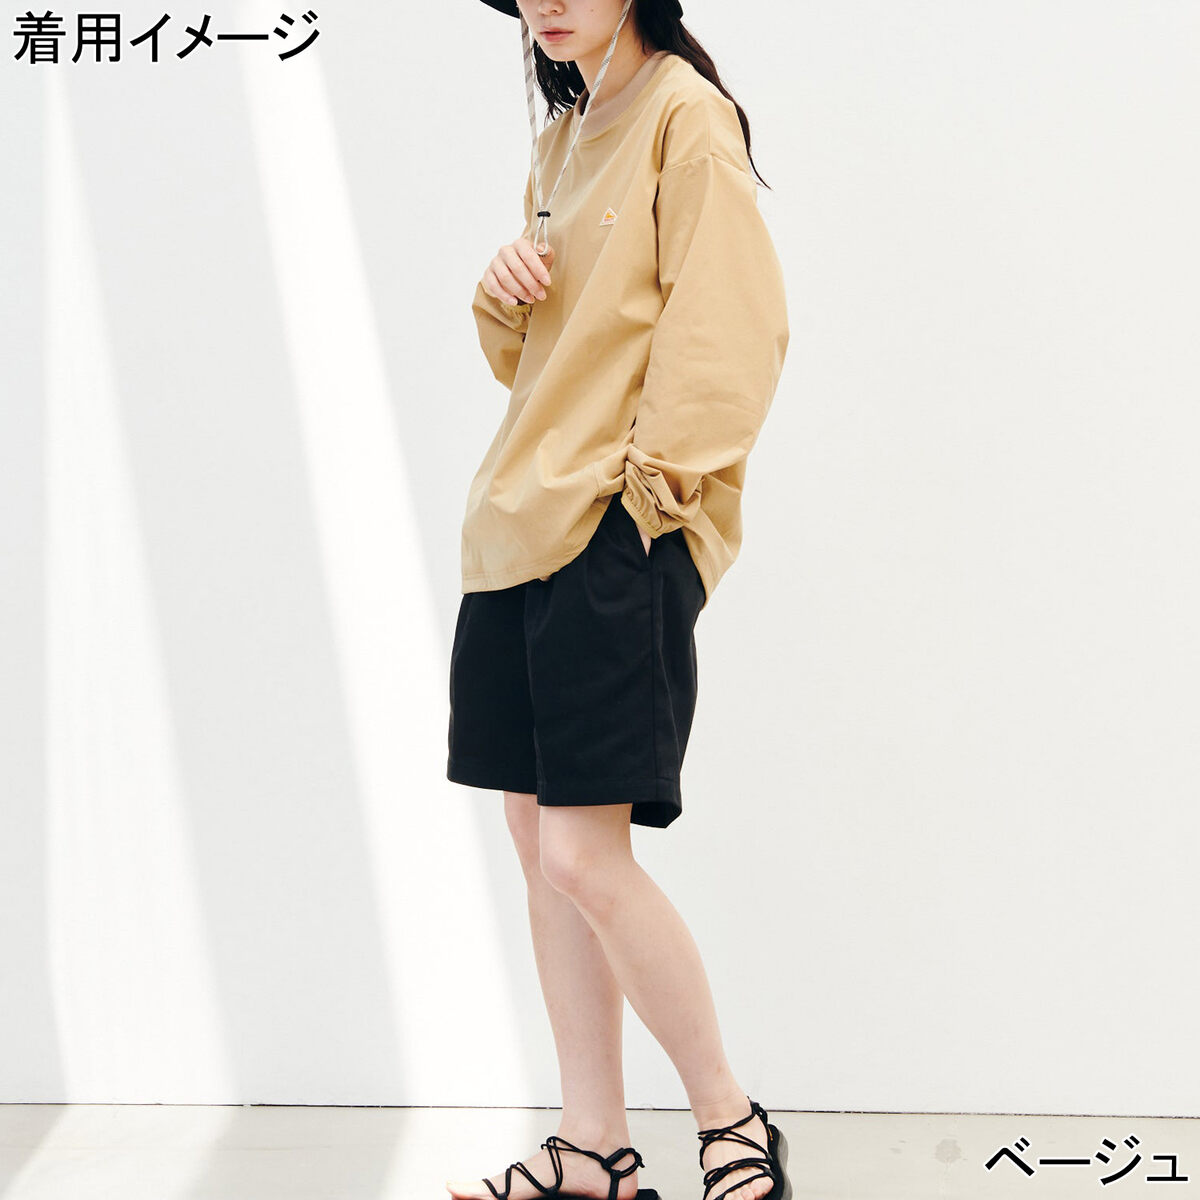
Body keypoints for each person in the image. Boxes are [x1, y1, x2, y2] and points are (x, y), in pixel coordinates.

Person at [446, 2, 790, 1198]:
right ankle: (592, 1142)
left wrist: (645, 505)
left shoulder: (687, 118)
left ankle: (731, 1121)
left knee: (586, 856)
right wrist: (503, 293)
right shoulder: (566, 135)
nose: (545, 1)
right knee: (541, 850)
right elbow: (538, 357)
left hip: (610, 526)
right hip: (515, 527)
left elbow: (733, 332)